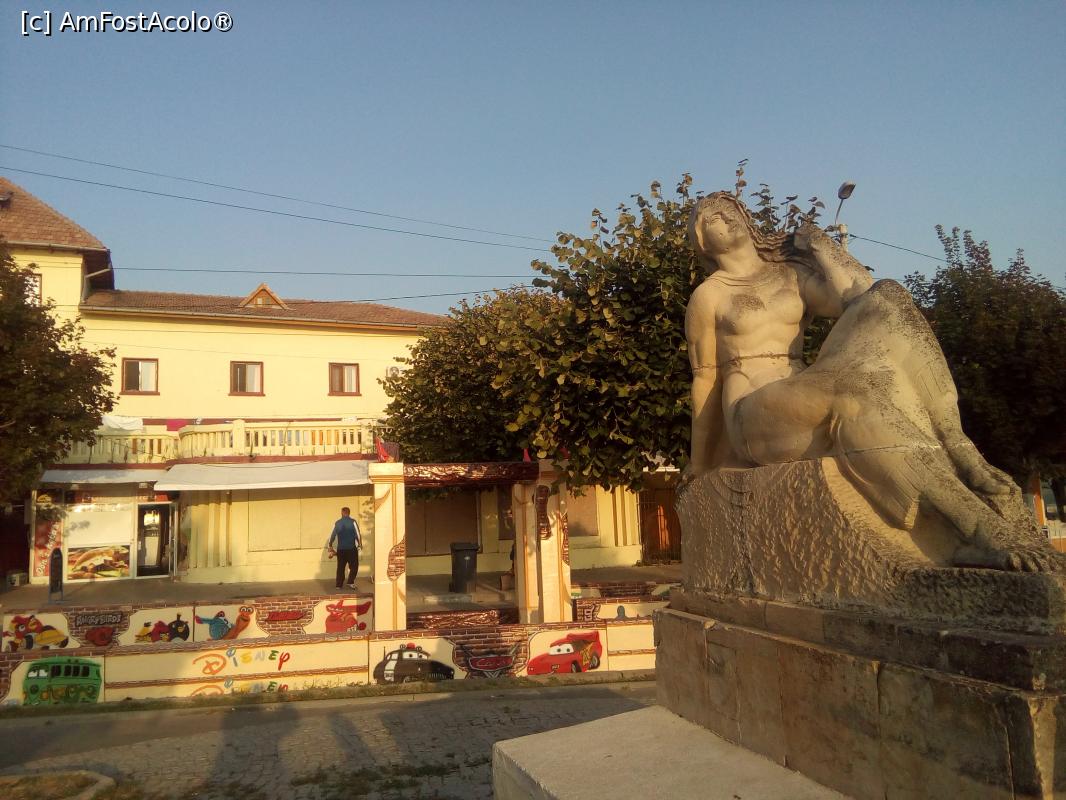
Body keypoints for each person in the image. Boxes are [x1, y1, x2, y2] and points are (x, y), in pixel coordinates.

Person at [684, 191, 1060, 573]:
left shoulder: (788, 276)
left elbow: (858, 294)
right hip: (751, 408)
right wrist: (700, 464)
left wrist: (820, 245)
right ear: (701, 239)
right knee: (853, 389)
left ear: (745, 218)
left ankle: (956, 442)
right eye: (710, 216)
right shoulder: (709, 295)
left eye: (728, 209)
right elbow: (706, 379)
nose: (723, 216)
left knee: (888, 297)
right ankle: (977, 528)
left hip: (801, 383)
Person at [328, 507, 362, 589]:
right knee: (354, 566)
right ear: (349, 513)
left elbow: (332, 535)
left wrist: (330, 545)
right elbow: (358, 534)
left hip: (341, 550)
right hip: (351, 549)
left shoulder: (337, 523)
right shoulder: (353, 522)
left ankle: (338, 585)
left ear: (342, 513)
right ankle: (350, 582)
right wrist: (360, 545)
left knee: (340, 567)